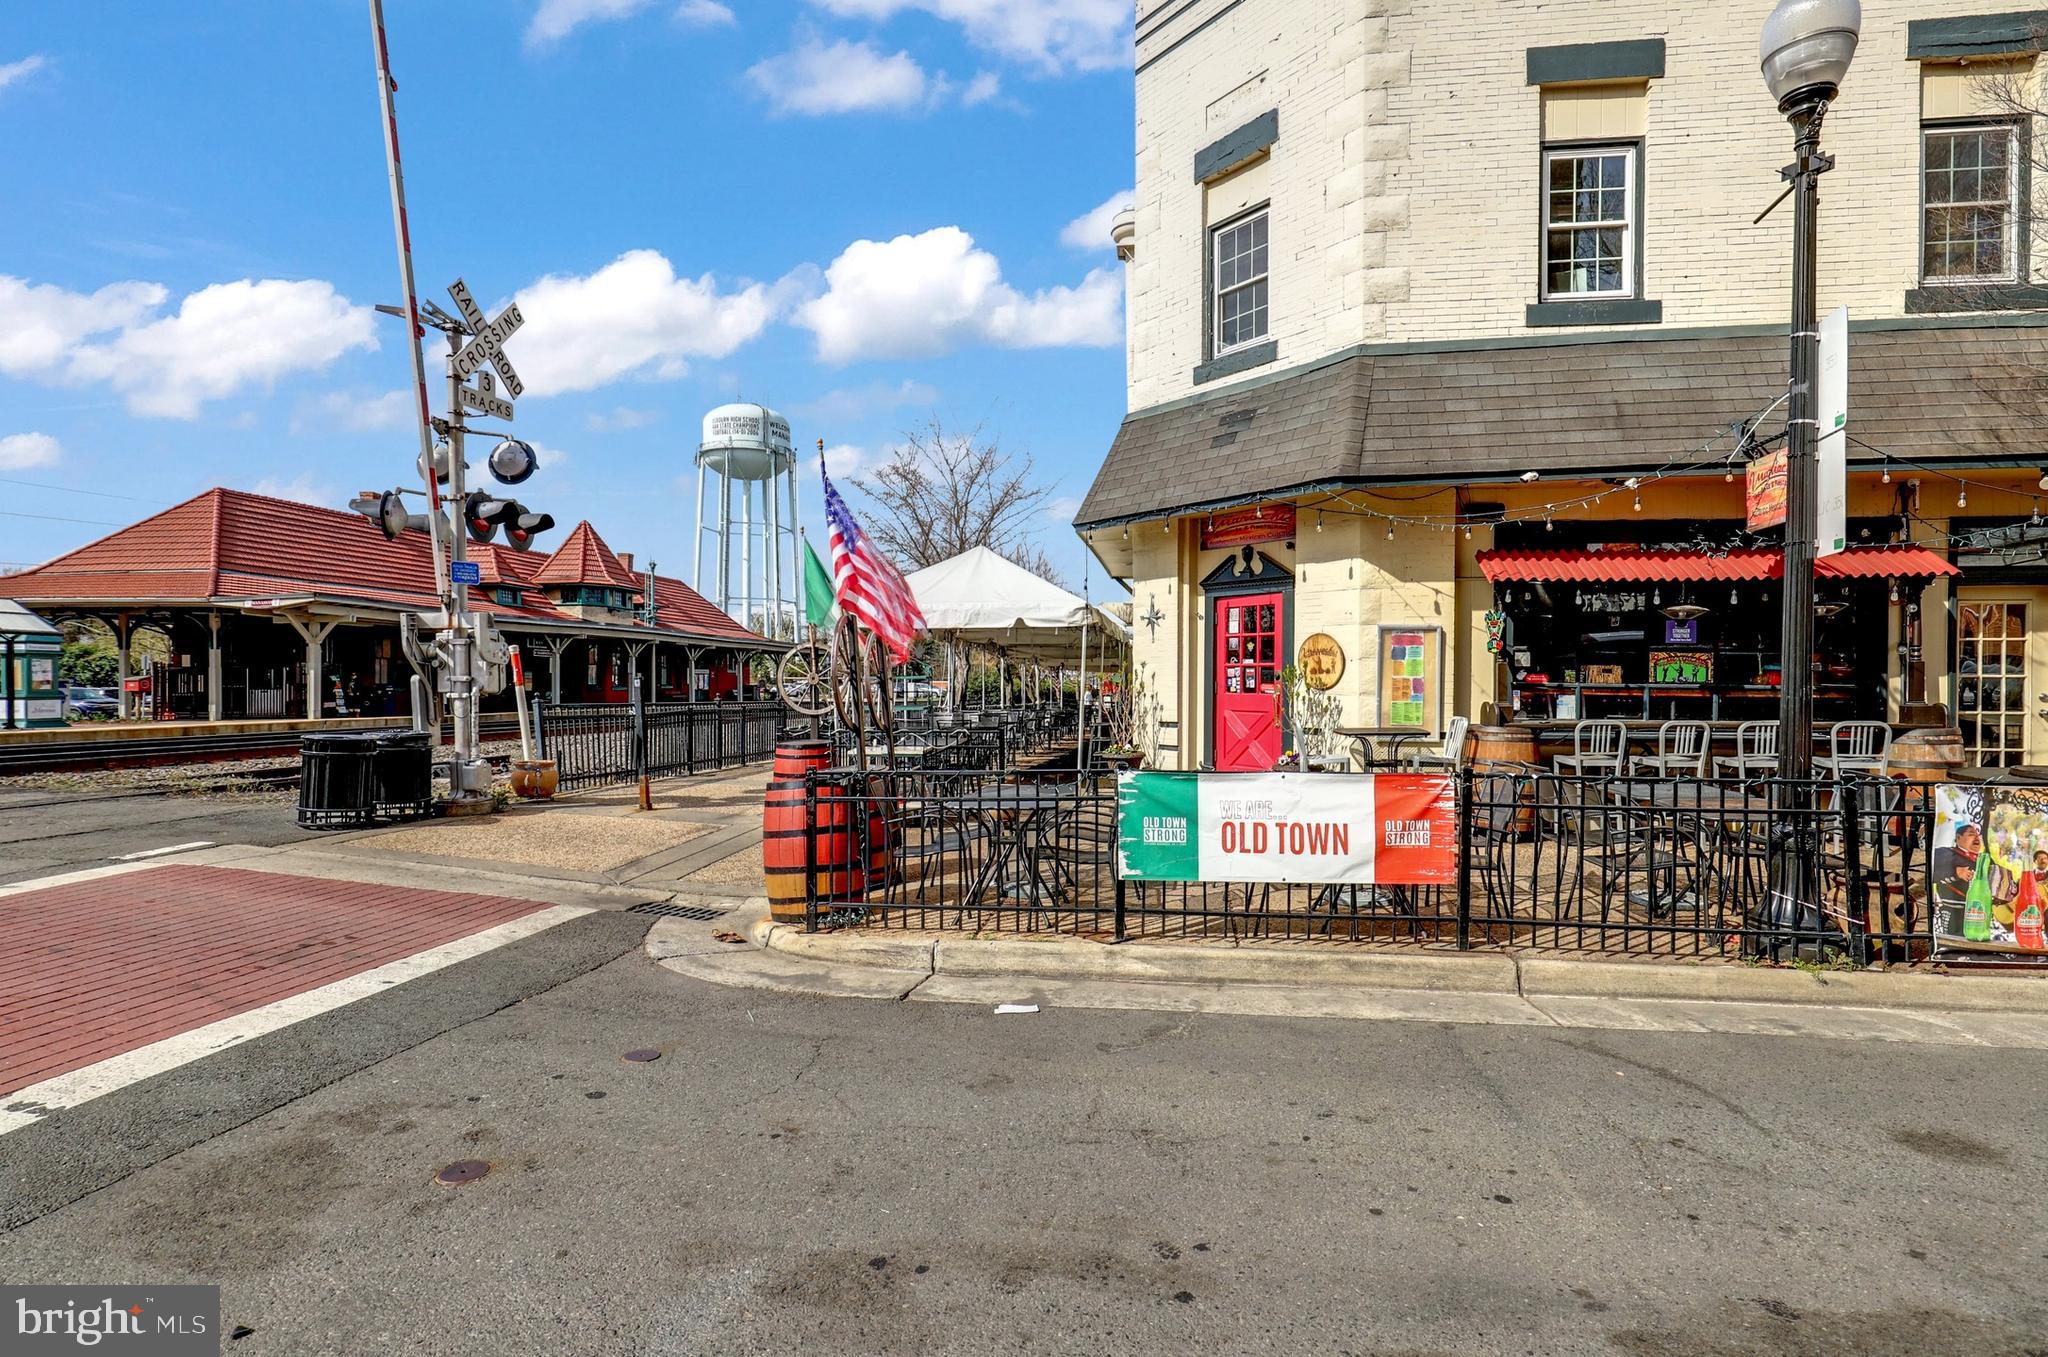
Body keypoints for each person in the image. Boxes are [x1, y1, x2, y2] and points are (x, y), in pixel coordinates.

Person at [1934, 823, 1982, 904]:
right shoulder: (1945, 853)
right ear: (1958, 837)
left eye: (1979, 835)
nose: (1977, 837)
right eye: (1971, 834)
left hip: (1981, 907)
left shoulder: (1984, 859)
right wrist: (1955, 872)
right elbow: (1932, 873)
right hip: (1953, 906)